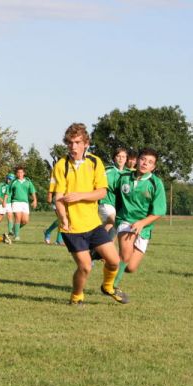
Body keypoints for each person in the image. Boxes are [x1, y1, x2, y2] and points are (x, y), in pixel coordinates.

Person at [51, 123, 128, 305]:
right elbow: (59, 197)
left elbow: (101, 192)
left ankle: (108, 287)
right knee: (85, 267)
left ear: (86, 143)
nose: (73, 147)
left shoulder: (95, 162)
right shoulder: (62, 165)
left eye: (78, 142)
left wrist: (80, 196)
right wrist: (63, 218)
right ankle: (76, 296)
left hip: (93, 224)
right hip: (72, 227)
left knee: (114, 261)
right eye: (70, 143)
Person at [112, 148, 167, 289]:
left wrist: (142, 223)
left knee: (130, 267)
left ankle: (107, 257)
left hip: (145, 227)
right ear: (137, 160)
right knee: (125, 255)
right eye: (143, 159)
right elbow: (108, 191)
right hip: (125, 220)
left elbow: (159, 211)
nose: (145, 163)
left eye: (150, 162)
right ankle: (112, 286)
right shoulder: (123, 177)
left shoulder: (156, 183)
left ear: (153, 167)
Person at [9, 166, 37, 241]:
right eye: (18, 172)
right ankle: (16, 235)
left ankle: (14, 229)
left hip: (25, 203)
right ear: (16, 174)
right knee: (18, 218)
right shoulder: (13, 182)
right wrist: (6, 201)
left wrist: (35, 200)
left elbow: (33, 191)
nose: (20, 174)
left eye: (21, 172)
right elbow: (8, 193)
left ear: (24, 173)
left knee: (25, 221)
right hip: (16, 202)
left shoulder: (28, 182)